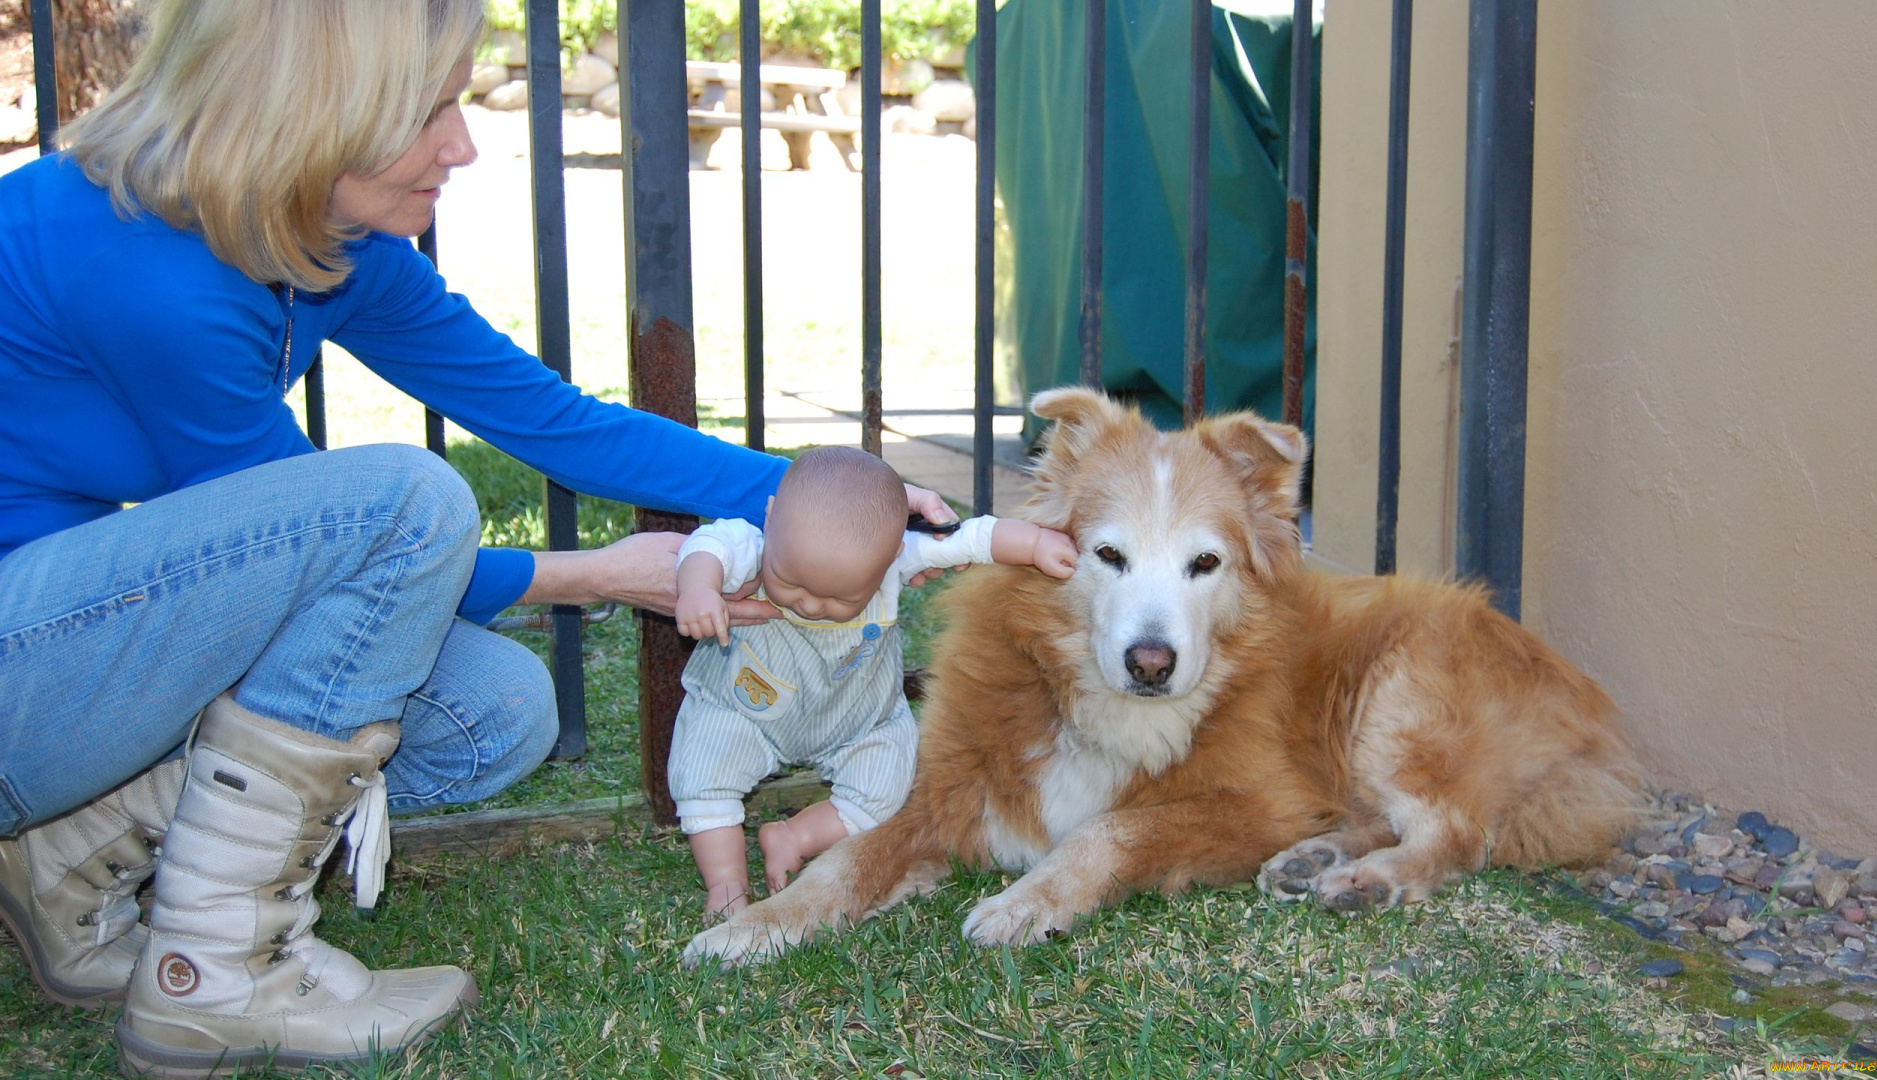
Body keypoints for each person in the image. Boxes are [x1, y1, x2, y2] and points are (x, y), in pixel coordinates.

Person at [0, 1, 957, 1075]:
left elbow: (559, 424)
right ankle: (216, 980)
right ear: (306, 113)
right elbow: (350, 546)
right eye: (430, 107)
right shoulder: (149, 270)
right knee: (406, 501)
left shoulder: (324, 240)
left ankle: (65, 852)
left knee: (493, 716)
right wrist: (596, 575)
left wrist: (828, 495)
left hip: (57, 655)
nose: (463, 142)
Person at [671, 447, 1077, 918]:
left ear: (895, 554)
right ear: (770, 514)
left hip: (855, 720)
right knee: (704, 777)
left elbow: (974, 538)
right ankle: (726, 885)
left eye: (841, 597)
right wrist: (699, 589)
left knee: (886, 789)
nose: (810, 604)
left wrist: (1032, 545)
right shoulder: (755, 542)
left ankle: (794, 835)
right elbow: (707, 546)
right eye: (790, 580)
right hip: (743, 711)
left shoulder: (893, 558)